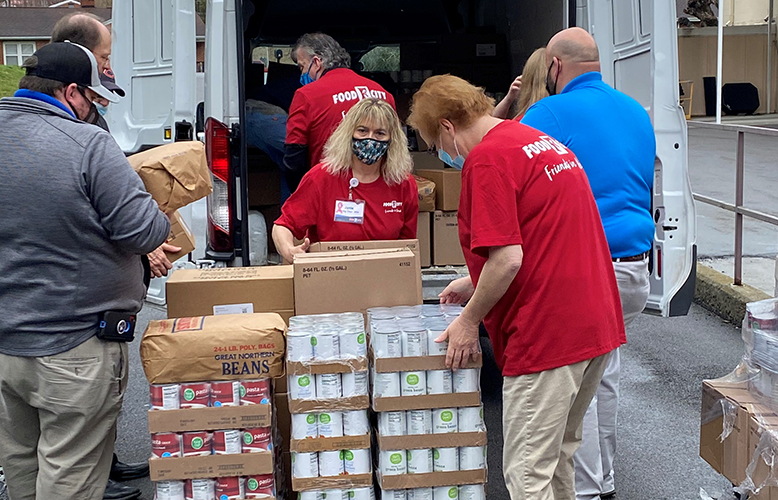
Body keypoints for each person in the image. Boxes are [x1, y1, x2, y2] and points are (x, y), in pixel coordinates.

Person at [408, 75, 625, 500]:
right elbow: (540, 236)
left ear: (448, 127)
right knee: (559, 455)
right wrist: (475, 281)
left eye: (436, 145)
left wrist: (470, 321)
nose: (442, 154)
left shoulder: (487, 160)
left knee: (527, 474)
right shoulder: (534, 142)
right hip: (595, 324)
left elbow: (508, 259)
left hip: (547, 333)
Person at [0, 42, 169, 500]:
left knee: (22, 464)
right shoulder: (86, 143)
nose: (94, 111)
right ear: (70, 92)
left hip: (6, 346)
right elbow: (144, 231)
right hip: (74, 346)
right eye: (93, 100)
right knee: (70, 475)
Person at [520, 27, 655, 500]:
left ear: (554, 67)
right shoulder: (636, 111)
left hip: (588, 268)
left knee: (578, 384)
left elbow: (498, 157)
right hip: (636, 268)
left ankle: (588, 488)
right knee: (605, 373)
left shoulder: (550, 112)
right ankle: (605, 480)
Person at [273, 98, 417, 262]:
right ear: (349, 133)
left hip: (381, 279)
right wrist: (290, 251)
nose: (370, 139)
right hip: (330, 276)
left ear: (392, 139)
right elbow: (283, 225)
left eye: (380, 133)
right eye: (362, 130)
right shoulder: (321, 177)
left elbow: (408, 247)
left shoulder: (403, 184)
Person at [284, 33, 396, 190]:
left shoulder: (307, 95)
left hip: (327, 191)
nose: (302, 75)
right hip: (376, 192)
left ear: (316, 62)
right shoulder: (384, 95)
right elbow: (395, 151)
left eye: (302, 67)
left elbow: (294, 158)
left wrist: (301, 194)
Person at [492, 47, 549, 120]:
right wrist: (509, 98)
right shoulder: (563, 110)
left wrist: (508, 99)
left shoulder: (522, 122)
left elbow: (492, 126)